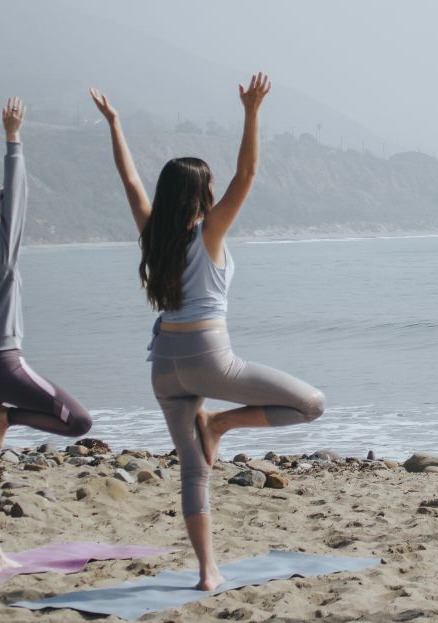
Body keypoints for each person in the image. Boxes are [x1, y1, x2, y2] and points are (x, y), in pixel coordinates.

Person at [90, 74, 326, 592]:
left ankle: (207, 572)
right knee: (311, 404)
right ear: (202, 192)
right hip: (208, 358)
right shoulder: (209, 231)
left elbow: (129, 181)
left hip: (163, 368)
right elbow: (248, 173)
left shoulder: (154, 234)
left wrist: (115, 124)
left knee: (193, 473)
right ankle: (219, 423)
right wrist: (252, 111)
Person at [0, 98, 94, 571]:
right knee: (79, 422)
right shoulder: (3, 253)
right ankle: (9, 419)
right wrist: (13, 138)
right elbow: (18, 190)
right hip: (4, 367)